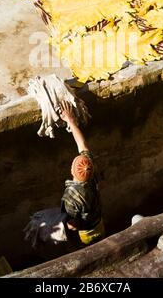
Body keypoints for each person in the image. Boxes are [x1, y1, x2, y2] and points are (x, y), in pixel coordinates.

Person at [59, 101, 104, 246]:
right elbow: (82, 145)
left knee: (91, 249)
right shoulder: (92, 170)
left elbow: (74, 224)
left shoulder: (71, 196)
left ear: (72, 170)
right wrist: (70, 121)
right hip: (99, 223)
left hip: (87, 233)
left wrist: (58, 225)